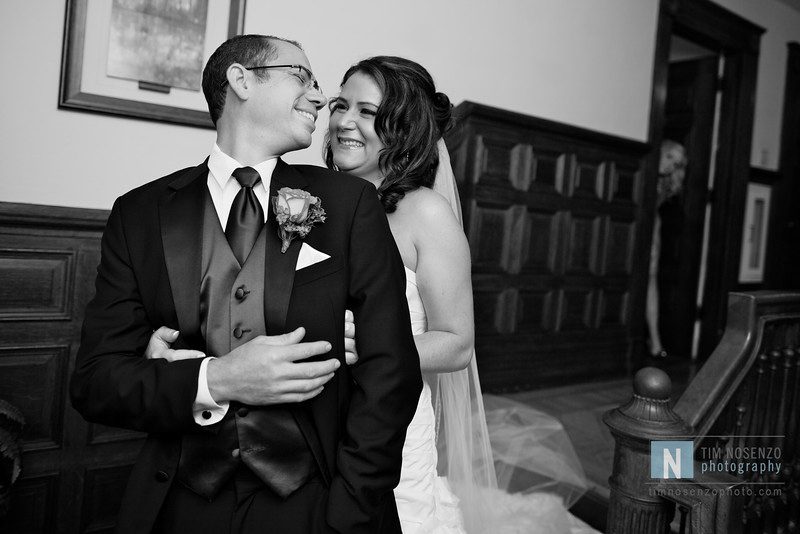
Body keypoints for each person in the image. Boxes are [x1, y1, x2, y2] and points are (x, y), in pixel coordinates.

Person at [69, 35, 422, 534]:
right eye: (301, 77)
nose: (320, 97)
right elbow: (96, 383)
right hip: (184, 497)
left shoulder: (350, 204)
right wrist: (217, 380)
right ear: (241, 81)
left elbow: (393, 371)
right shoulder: (139, 214)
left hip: (316, 498)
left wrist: (349, 510)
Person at [324, 56, 590, 534]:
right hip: (314, 416)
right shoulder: (315, 201)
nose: (344, 121)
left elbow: (456, 344)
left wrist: (369, 347)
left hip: (388, 423)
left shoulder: (425, 214)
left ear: (403, 129)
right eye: (340, 105)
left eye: (366, 111)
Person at [646, 139, 688, 358]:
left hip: (653, 227)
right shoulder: (644, 171)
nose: (671, 165)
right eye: (669, 157)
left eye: (677, 163)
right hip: (638, 225)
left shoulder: (665, 183)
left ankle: (655, 341)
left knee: (651, 280)